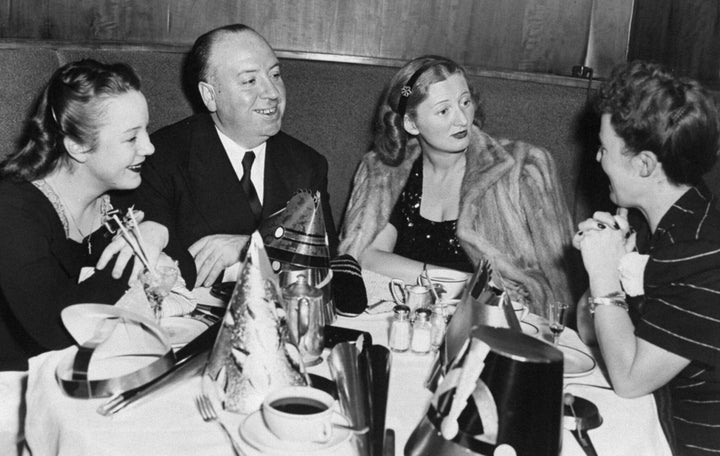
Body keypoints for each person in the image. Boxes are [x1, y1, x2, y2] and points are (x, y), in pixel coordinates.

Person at [0, 59, 185, 454]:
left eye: (146, 131)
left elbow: (184, 251)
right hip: (12, 400)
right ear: (78, 146)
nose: (149, 147)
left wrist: (158, 231)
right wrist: (134, 254)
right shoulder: (12, 210)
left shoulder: (118, 192)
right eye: (131, 137)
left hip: (80, 383)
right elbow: (55, 324)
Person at [339, 55, 575, 314]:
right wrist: (460, 284)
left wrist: (449, 288)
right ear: (411, 122)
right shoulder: (385, 173)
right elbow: (367, 257)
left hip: (498, 329)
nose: (463, 119)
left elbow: (560, 287)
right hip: (412, 321)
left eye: (465, 102)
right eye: (444, 110)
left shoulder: (523, 169)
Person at [574, 61, 720, 455]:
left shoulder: (704, 252)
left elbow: (630, 379)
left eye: (604, 148)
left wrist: (604, 276)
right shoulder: (674, 224)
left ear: (644, 165)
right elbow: (592, 334)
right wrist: (615, 272)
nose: (598, 160)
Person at [132, 24, 337, 288]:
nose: (273, 93)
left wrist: (249, 247)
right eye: (250, 81)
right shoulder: (162, 157)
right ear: (210, 96)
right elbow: (156, 265)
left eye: (275, 75)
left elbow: (325, 259)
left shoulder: (306, 164)